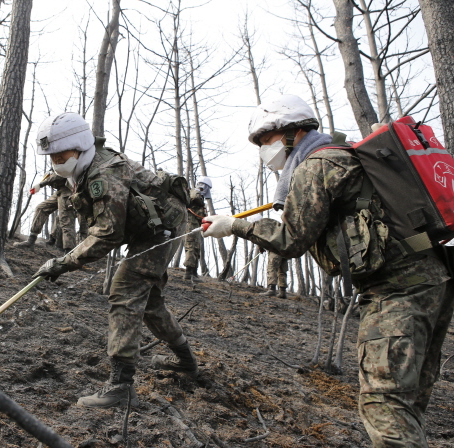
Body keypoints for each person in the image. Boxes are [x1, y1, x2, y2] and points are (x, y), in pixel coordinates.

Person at [202, 94, 454, 447]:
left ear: (292, 132)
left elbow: (291, 239)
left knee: (385, 401)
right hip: (431, 278)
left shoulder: (316, 165)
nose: (264, 150)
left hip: (397, 288)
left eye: (266, 141)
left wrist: (235, 226)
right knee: (407, 400)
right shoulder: (345, 156)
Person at [32, 112, 198, 409]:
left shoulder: (103, 176)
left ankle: (121, 386)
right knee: (150, 302)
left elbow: (107, 236)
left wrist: (63, 263)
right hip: (147, 227)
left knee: (124, 291)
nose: (57, 161)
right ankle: (186, 362)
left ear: (81, 146)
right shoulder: (83, 169)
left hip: (163, 229)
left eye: (62, 154)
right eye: (53, 156)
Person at [14, 171, 78, 252]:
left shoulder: (66, 161)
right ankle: (31, 241)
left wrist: (41, 184)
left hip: (69, 191)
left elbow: (60, 175)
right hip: (60, 190)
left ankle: (69, 252)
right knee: (41, 208)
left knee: (65, 219)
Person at [183, 177, 211, 281]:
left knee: (196, 247)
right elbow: (194, 197)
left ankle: (194, 272)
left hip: (196, 224)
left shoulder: (199, 195)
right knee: (191, 246)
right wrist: (200, 198)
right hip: (190, 223)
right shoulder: (195, 192)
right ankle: (188, 273)